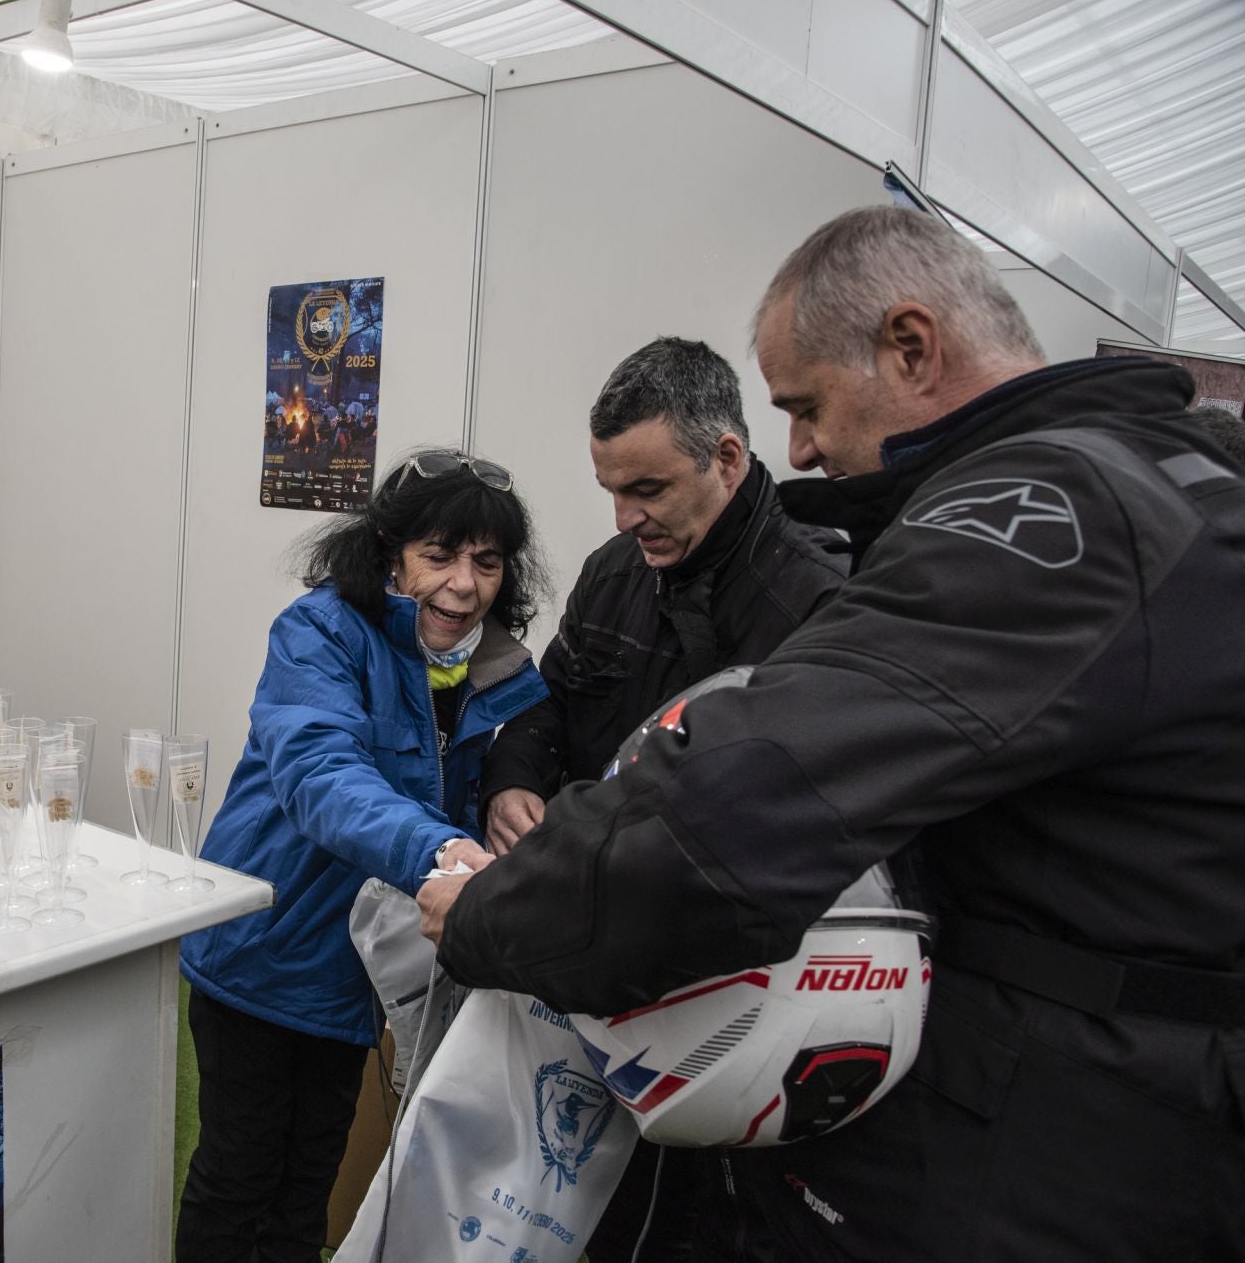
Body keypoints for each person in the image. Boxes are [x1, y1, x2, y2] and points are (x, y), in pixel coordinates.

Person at [421, 205, 1245, 1261]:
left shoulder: (1054, 512)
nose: (802, 444)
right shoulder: (1169, 486)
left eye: (806, 406)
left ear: (910, 345)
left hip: (1057, 1135)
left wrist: (492, 916)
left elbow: (735, 806)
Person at [477, 335, 845, 1259]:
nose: (624, 515)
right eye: (611, 488)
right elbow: (547, 703)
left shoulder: (813, 603)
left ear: (727, 458)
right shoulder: (613, 573)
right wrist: (514, 779)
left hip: (729, 1008)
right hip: (596, 968)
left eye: (647, 490)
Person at [176, 448, 551, 1263]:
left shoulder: (493, 671)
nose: (463, 584)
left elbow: (524, 747)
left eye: (486, 562)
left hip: (358, 977)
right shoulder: (319, 632)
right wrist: (445, 849)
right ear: (389, 554)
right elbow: (320, 774)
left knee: (310, 1178)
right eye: (439, 555)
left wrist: (506, 789)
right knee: (239, 1177)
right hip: (262, 955)